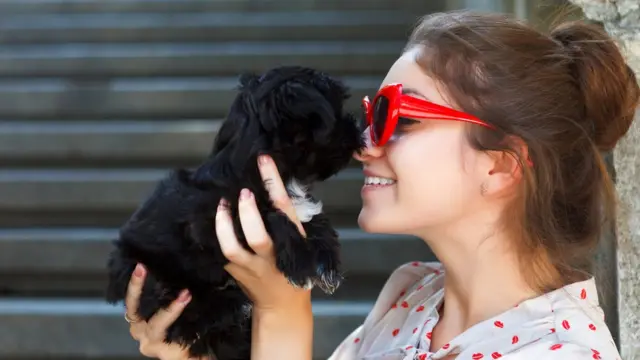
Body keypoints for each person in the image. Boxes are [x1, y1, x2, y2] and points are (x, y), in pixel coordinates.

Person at [121, 10, 638, 360]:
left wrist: (282, 313)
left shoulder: (559, 353)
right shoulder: (412, 296)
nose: (364, 142)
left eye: (399, 118)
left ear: (501, 166)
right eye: (372, 113)